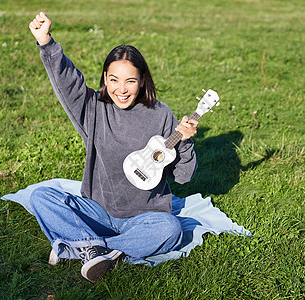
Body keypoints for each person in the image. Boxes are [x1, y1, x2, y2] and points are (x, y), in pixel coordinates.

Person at [28, 12, 198, 282]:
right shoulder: (94, 109)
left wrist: (186, 143)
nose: (122, 89)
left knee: (171, 229)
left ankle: (86, 248)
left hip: (146, 218)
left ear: (142, 80)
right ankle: (106, 250)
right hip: (98, 211)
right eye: (114, 79)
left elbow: (183, 177)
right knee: (40, 197)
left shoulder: (161, 114)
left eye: (130, 80)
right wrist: (46, 42)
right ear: (105, 78)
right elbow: (67, 81)